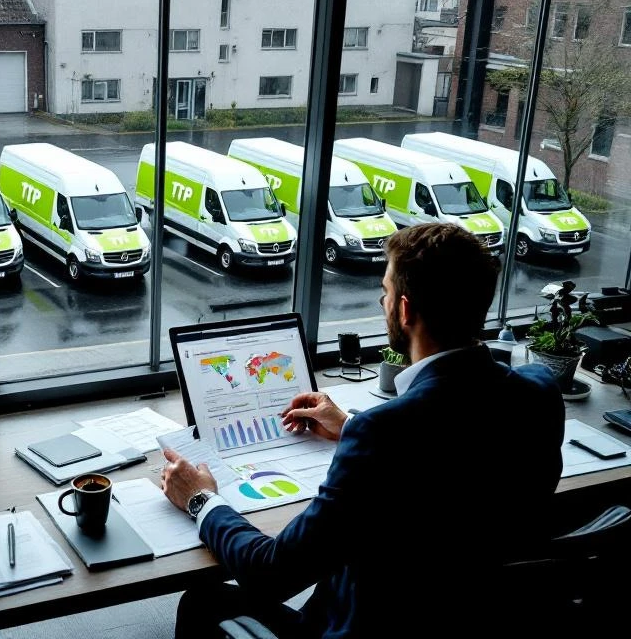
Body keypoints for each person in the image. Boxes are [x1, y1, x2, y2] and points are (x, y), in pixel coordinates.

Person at [161, 222, 564, 638]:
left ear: (405, 311)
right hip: (474, 614)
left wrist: (200, 499)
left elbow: (272, 573)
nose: (382, 299)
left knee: (203, 600)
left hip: (366, 626)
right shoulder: (538, 390)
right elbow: (458, 442)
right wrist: (350, 425)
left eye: (386, 291)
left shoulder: (384, 434)